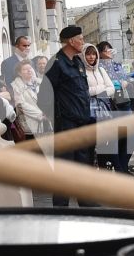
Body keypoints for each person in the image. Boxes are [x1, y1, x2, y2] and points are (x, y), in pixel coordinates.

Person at [42, 26, 97, 205]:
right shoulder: (56, 63)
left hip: (82, 120)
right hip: (65, 123)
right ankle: (60, 206)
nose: (83, 42)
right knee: (65, 165)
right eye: (80, 39)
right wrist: (55, 117)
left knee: (83, 162)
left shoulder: (78, 62)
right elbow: (44, 93)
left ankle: (86, 200)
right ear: (71, 41)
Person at [83, 44, 119, 169]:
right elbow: (84, 91)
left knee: (105, 142)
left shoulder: (101, 70)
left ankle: (104, 169)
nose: (91, 57)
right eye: (88, 54)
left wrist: (97, 92)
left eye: (93, 54)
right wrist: (101, 89)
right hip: (89, 113)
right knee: (91, 144)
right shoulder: (81, 71)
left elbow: (112, 88)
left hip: (104, 111)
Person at [9, 60, 46, 140]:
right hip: (29, 124)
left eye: (30, 68)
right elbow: (20, 104)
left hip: (45, 122)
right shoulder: (16, 86)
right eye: (25, 69)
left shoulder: (40, 82)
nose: (29, 70)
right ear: (19, 73)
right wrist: (40, 114)